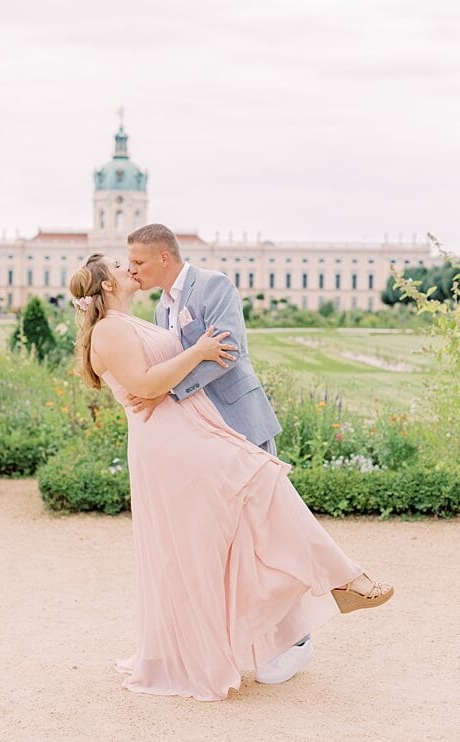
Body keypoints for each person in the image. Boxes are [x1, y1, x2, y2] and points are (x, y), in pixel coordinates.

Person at [69, 253, 393, 702]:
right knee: (258, 482)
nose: (130, 269)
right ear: (106, 285)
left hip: (185, 432)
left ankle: (306, 608)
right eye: (122, 266)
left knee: (228, 528)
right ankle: (341, 578)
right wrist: (197, 352)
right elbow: (143, 386)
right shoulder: (109, 330)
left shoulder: (130, 320)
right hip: (170, 443)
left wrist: (191, 356)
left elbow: (155, 378)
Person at [126, 222, 313, 685]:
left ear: (163, 258)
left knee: (264, 531)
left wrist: (167, 394)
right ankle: (261, 637)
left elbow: (225, 351)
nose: (133, 271)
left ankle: (299, 640)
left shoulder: (213, 285)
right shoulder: (160, 306)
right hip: (203, 438)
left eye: (138, 263)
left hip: (239, 423)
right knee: (228, 542)